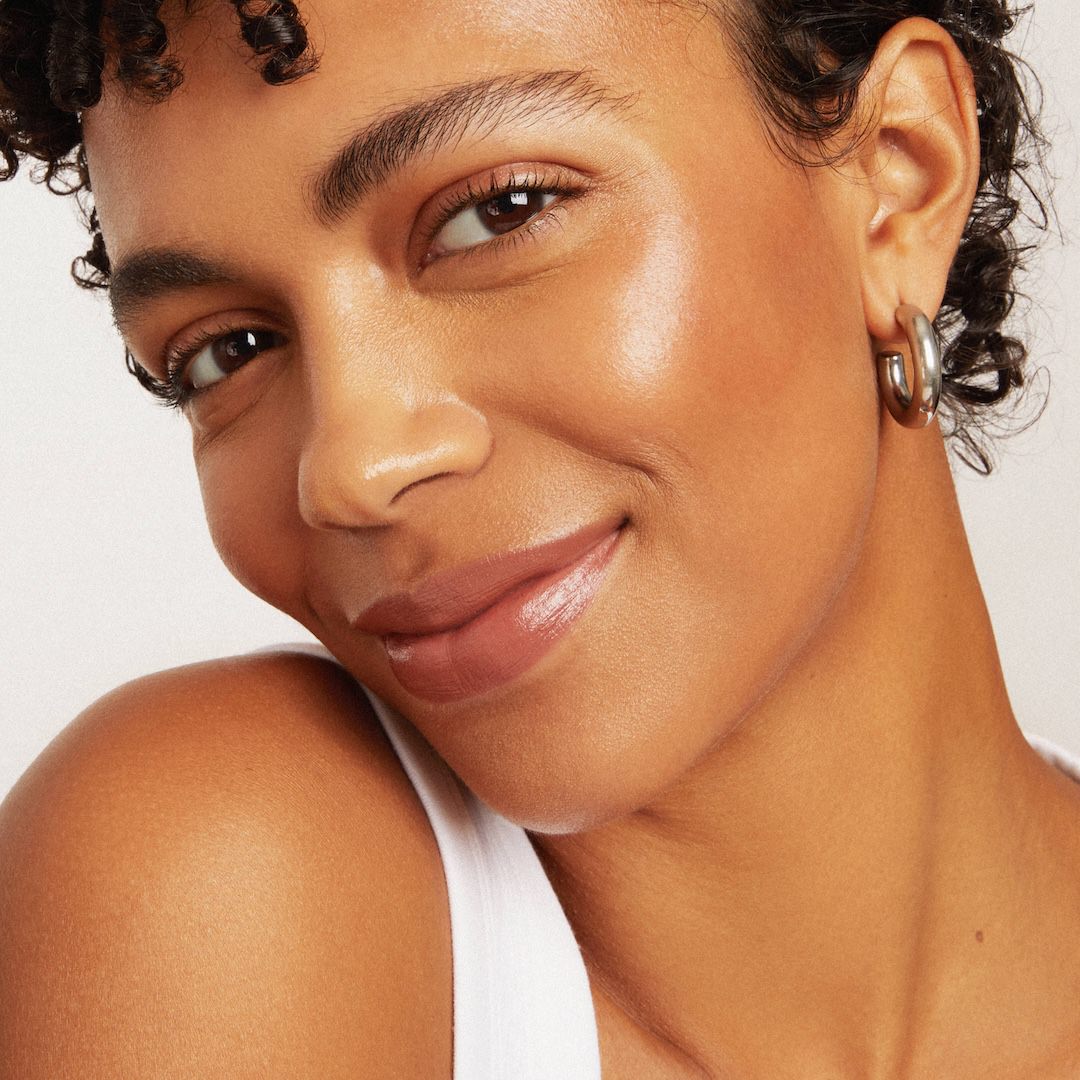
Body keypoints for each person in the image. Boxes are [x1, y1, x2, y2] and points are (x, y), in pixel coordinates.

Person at [1, 1, 1078, 1076]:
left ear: (899, 178)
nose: (350, 470)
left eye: (498, 213)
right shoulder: (219, 877)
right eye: (227, 350)